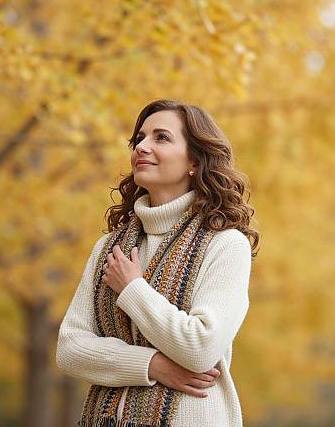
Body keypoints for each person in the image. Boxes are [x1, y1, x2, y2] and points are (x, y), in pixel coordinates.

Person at [56, 99, 259, 427]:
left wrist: (133, 288)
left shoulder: (225, 245)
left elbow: (200, 347)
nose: (142, 147)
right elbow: (70, 348)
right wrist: (150, 364)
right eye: (139, 139)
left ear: (195, 159)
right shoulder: (109, 248)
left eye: (161, 138)